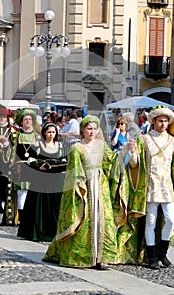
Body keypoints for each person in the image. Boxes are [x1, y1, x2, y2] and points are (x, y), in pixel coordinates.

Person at [118, 105, 174, 269]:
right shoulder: (144, 140)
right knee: (150, 221)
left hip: (168, 188)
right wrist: (132, 152)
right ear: (153, 121)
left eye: (166, 121)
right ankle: (151, 256)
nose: (163, 124)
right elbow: (135, 164)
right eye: (160, 121)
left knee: (171, 220)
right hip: (150, 187)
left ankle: (162, 251)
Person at [43, 115, 122, 269]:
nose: (92, 132)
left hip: (101, 187)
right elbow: (73, 171)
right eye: (89, 128)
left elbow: (111, 162)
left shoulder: (101, 145)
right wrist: (80, 185)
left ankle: (102, 257)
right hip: (83, 187)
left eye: (94, 128)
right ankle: (83, 256)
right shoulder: (76, 148)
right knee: (84, 220)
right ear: (82, 130)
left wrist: (127, 153)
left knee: (103, 220)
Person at [17, 122, 67, 241]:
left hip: (56, 179)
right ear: (44, 132)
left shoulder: (60, 146)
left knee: (55, 206)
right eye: (49, 132)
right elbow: (31, 160)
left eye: (53, 132)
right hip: (41, 179)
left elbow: (64, 161)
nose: (51, 134)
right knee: (39, 205)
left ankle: (54, 231)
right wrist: (40, 165)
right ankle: (36, 231)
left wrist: (54, 165)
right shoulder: (38, 145)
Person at [11, 109, 42, 223]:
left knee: (32, 192)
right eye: (25, 119)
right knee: (21, 192)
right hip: (20, 167)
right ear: (21, 121)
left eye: (29, 119)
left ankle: (32, 216)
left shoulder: (38, 136)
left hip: (34, 167)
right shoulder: (15, 135)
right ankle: (22, 217)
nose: (28, 121)